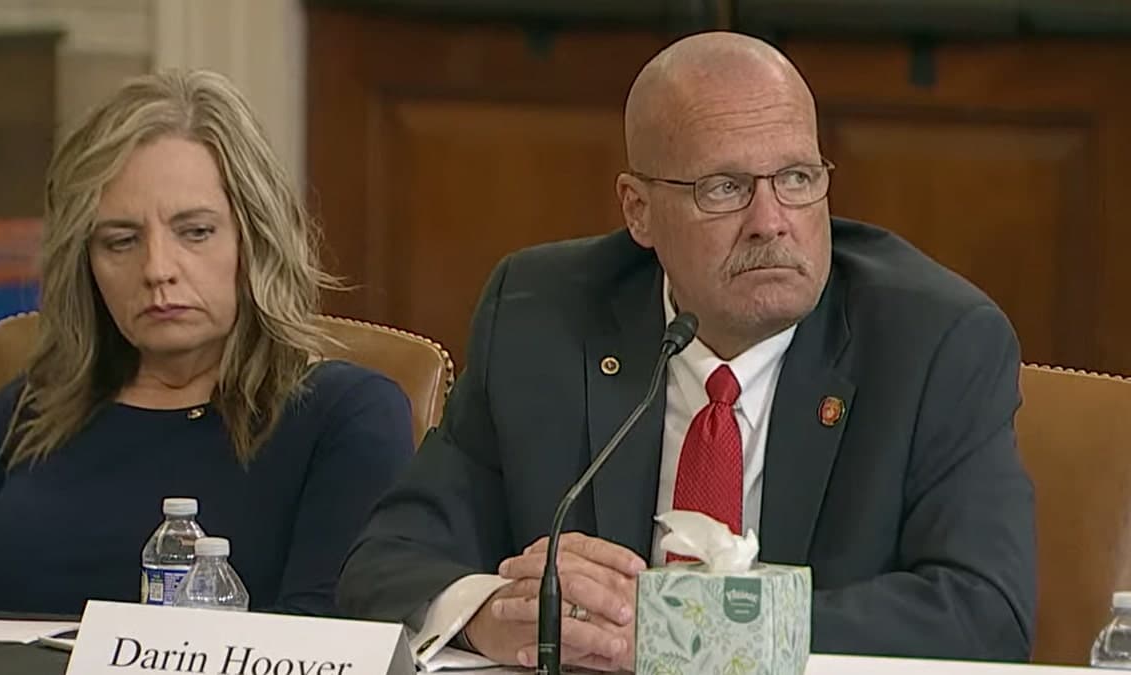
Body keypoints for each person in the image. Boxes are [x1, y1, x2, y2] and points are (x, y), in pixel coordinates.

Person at [338, 32, 1036, 670]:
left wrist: (687, 628)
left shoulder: (933, 340)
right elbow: (387, 562)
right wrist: (495, 613)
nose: (771, 222)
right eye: (724, 188)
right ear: (638, 210)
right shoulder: (539, 314)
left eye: (796, 178)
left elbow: (984, 612)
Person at [0, 70, 414, 616]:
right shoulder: (31, 409)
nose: (158, 269)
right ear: (85, 263)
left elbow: (323, 646)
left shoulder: (344, 418)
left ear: (255, 239)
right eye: (121, 241)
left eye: (196, 232)